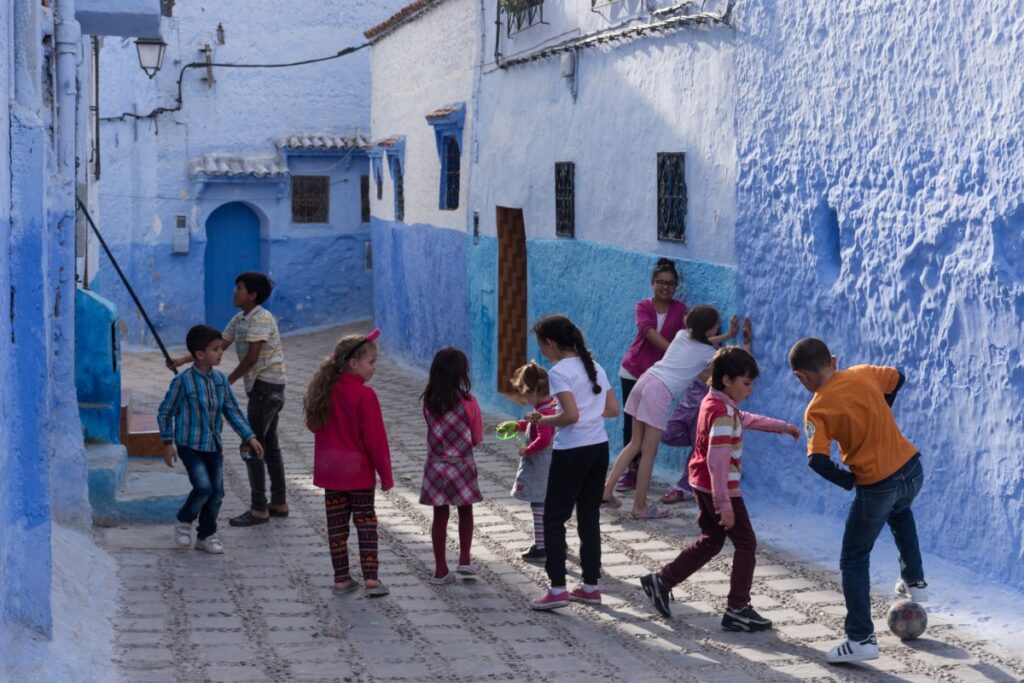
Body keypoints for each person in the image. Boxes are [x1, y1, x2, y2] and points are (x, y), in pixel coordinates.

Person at [639, 347, 799, 631]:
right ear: (727, 379)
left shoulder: (714, 402)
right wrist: (724, 504)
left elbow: (744, 419)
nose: (750, 389)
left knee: (711, 541)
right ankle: (738, 607)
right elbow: (717, 461)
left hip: (701, 484)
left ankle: (661, 580)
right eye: (746, 383)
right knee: (746, 543)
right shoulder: (724, 413)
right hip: (720, 488)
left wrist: (781, 427)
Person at [789, 338, 926, 664]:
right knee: (901, 510)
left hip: (876, 483)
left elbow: (817, 460)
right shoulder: (863, 373)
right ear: (833, 361)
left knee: (854, 558)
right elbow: (899, 376)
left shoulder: (817, 408)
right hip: (912, 470)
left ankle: (860, 638)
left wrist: (849, 480)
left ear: (801, 377)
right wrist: (882, 406)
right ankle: (915, 581)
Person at [168, 272, 289, 527]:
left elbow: (251, 358)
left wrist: (227, 382)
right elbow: (215, 346)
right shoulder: (240, 319)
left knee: (251, 446)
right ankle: (278, 502)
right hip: (269, 388)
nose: (234, 292)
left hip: (266, 389)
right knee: (270, 445)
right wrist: (182, 360)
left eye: (240, 288)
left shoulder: (260, 318)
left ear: (253, 295)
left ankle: (259, 508)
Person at [528, 316, 619, 610]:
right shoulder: (594, 365)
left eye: (542, 345)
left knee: (553, 519)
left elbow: (570, 416)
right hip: (598, 448)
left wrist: (543, 418)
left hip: (572, 451)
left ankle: (557, 588)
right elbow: (612, 409)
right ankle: (590, 586)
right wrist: (589, 412)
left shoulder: (559, 372)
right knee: (588, 517)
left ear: (551, 343)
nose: (542, 351)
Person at [602, 306, 725, 518]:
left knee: (635, 444)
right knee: (649, 451)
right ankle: (640, 506)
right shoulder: (708, 353)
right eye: (716, 326)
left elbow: (703, 339)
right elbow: (715, 358)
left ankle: (605, 492)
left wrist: (728, 335)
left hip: (645, 381)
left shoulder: (681, 335)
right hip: (659, 392)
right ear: (709, 331)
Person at [159, 325, 264, 555]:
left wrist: (250, 436)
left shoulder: (220, 381)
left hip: (213, 446)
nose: (220, 353)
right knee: (203, 487)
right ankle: (184, 520)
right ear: (199, 354)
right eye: (215, 349)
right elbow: (166, 412)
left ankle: (206, 535)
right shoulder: (182, 382)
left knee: (217, 493)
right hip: (189, 445)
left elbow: (233, 411)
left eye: (220, 348)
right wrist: (168, 444)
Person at [304, 329, 393, 597]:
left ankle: (341, 579)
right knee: (366, 524)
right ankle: (372, 581)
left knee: (337, 528)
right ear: (354, 364)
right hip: (358, 474)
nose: (374, 368)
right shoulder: (365, 396)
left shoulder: (324, 391)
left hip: (331, 474)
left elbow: (313, 425)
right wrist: (386, 476)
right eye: (372, 362)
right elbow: (375, 440)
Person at [660, 317, 753, 505]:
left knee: (698, 446)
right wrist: (728, 335)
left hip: (704, 411)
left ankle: (683, 488)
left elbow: (740, 367)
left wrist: (747, 343)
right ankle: (699, 448)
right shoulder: (697, 348)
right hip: (686, 407)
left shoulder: (715, 356)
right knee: (667, 434)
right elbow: (702, 343)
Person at [615, 258, 688, 493]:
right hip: (634, 370)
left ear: (676, 287)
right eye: (660, 282)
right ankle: (630, 471)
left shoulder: (680, 310)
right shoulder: (643, 306)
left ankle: (641, 470)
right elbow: (647, 332)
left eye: (670, 284)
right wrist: (674, 351)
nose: (665, 287)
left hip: (658, 377)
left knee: (650, 424)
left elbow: (688, 335)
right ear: (652, 283)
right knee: (631, 424)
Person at [420, 348, 484, 585]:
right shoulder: (469, 402)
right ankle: (465, 560)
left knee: (440, 515)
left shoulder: (428, 401)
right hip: (462, 465)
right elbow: (476, 437)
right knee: (465, 510)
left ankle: (440, 570)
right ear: (461, 373)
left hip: (436, 467)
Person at [507, 361, 557, 564]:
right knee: (550, 507)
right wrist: (517, 425)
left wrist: (527, 450)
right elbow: (533, 425)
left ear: (535, 390)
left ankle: (541, 547)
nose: (525, 398)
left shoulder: (543, 413)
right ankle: (554, 541)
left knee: (538, 505)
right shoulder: (550, 407)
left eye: (526, 394)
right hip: (551, 467)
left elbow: (543, 438)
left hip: (540, 468)